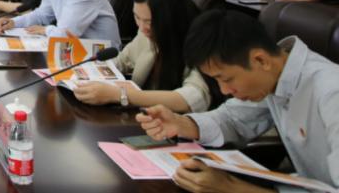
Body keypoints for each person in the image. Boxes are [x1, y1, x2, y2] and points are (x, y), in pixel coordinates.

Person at [137, 10, 339, 193]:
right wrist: (180, 123)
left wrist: (230, 187)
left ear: (260, 60)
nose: (224, 90)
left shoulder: (332, 93)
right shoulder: (274, 76)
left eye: (227, 79)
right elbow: (232, 118)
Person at [74, 0, 213, 113]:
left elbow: (194, 98)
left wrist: (120, 95)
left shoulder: (201, 41)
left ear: (171, 18)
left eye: (149, 21)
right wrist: (86, 74)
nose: (141, 27)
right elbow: (122, 61)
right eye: (137, 17)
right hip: (143, 115)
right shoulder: (146, 33)